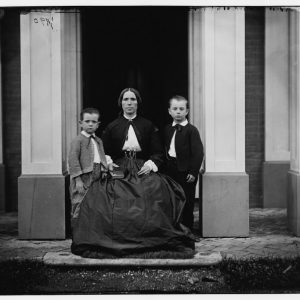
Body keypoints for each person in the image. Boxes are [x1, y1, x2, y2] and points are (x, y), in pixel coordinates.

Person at [70, 88, 195, 257]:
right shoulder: (112, 126)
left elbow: (158, 152)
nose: (129, 103)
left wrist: (150, 164)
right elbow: (104, 150)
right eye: (126, 99)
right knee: (106, 193)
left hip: (141, 165)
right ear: (121, 103)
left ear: (137, 103)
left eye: (133, 99)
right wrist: (109, 162)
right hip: (118, 166)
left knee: (155, 187)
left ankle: (149, 235)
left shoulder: (148, 125)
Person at [163, 95, 204, 231]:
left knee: (187, 200)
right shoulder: (167, 129)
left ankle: (187, 229)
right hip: (171, 170)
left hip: (186, 172)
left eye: (181, 109)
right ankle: (174, 229)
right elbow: (165, 149)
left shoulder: (191, 130)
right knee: (172, 200)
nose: (178, 112)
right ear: (169, 111)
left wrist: (193, 172)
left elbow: (198, 153)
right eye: (175, 109)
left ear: (187, 111)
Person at [68, 107, 113, 227]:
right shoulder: (78, 141)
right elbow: (73, 160)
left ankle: (91, 232)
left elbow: (101, 156)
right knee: (79, 201)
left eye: (93, 122)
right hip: (83, 177)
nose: (90, 124)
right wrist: (77, 180)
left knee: (94, 202)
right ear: (80, 123)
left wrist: (104, 170)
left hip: (97, 175)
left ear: (98, 124)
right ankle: (77, 231)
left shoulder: (98, 140)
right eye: (87, 121)